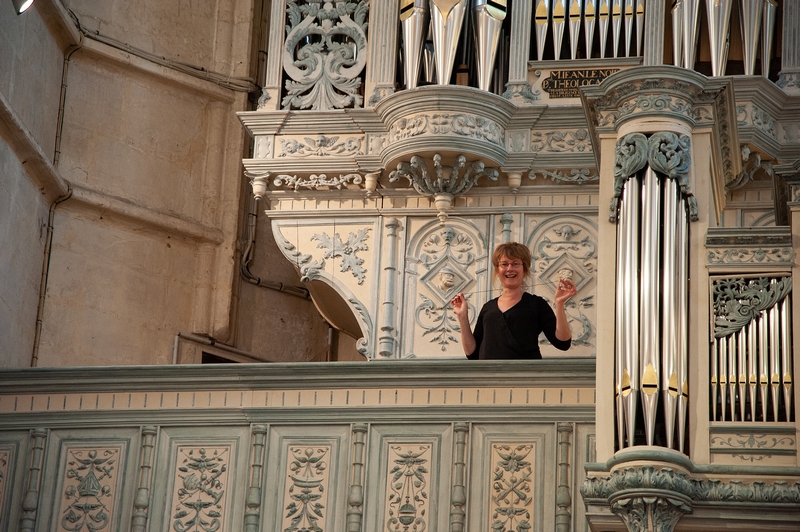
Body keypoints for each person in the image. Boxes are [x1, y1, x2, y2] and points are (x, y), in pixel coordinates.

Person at [451, 242, 577, 360]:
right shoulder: (488, 308)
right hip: (489, 378)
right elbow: (472, 353)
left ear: (525, 269)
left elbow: (563, 343)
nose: (510, 268)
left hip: (524, 377)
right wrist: (462, 316)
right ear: (497, 270)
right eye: (504, 264)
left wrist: (559, 304)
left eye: (515, 263)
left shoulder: (536, 304)